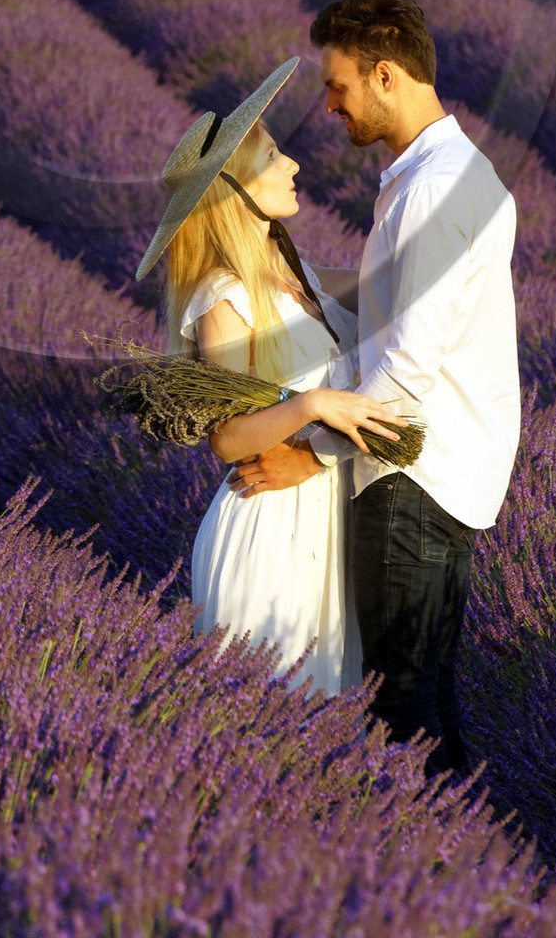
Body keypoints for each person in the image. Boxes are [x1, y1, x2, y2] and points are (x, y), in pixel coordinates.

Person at [228, 0, 519, 776]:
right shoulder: (455, 172)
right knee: (427, 691)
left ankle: (443, 874)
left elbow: (406, 369)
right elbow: (389, 303)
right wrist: (275, 281)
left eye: (338, 85)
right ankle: (473, 868)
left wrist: (308, 452)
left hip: (410, 475)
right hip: (447, 472)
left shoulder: (428, 191)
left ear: (386, 76)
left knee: (402, 702)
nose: (329, 105)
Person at [135, 58, 404, 697]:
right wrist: (313, 404)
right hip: (271, 530)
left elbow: (399, 294)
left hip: (325, 528)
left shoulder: (300, 276)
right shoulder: (223, 296)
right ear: (235, 188)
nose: (294, 166)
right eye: (275, 156)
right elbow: (227, 440)